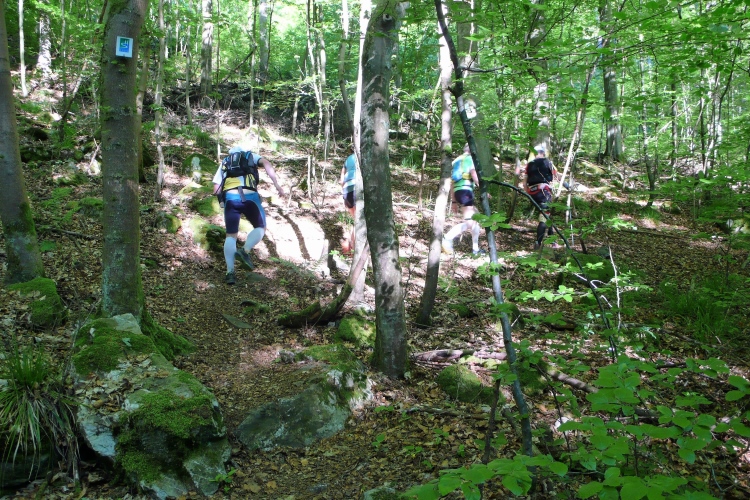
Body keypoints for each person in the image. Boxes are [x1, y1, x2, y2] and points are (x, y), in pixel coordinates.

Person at [212, 146, 285, 285]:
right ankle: (244, 251)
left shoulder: (225, 162)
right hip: (250, 196)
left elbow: (216, 187)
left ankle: (230, 273)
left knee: (231, 235)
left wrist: (221, 201)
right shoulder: (250, 156)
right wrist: (276, 184)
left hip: (231, 198)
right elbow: (267, 163)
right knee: (261, 227)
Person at [442, 144, 484, 256]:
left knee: (476, 217)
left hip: (459, 192)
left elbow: (452, 183)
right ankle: (447, 238)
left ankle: (475, 249)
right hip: (466, 191)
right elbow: (474, 174)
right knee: (469, 222)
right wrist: (483, 189)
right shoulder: (470, 159)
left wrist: (454, 201)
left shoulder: (456, 161)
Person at [524, 144, 568, 249]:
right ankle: (538, 243)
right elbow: (557, 176)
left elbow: (524, 183)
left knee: (547, 216)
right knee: (544, 217)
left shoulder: (529, 165)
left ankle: (553, 242)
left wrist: (529, 194)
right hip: (543, 192)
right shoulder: (547, 162)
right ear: (543, 153)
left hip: (532, 192)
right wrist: (567, 186)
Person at [339, 149, 357, 255]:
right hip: (357, 188)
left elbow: (341, 180)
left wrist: (343, 192)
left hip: (347, 190)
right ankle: (352, 249)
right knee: (359, 221)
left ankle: (350, 247)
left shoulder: (348, 159)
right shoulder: (364, 158)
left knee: (356, 219)